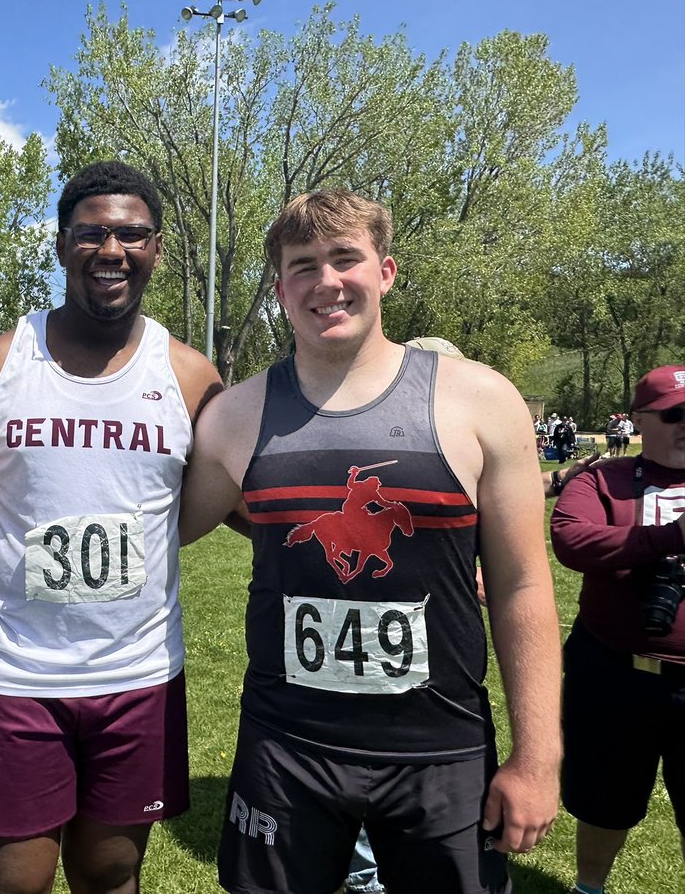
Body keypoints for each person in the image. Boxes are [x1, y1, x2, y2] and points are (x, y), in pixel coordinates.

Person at [180, 189, 561, 893]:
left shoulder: (481, 400)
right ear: (279, 289)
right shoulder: (235, 417)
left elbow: (522, 586)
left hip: (440, 748)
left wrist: (538, 757)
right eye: (303, 266)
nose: (326, 282)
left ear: (385, 271)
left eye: (345, 258)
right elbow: (160, 522)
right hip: (286, 747)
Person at [0, 160, 222, 894]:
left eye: (132, 234)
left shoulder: (188, 375)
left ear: (156, 248)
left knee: (112, 874)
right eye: (91, 234)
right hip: (11, 676)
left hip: (140, 676)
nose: (112, 250)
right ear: (60, 246)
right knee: (10, 883)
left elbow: (257, 503)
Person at [550, 364, 685, 894]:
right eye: (675, 414)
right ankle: (589, 888)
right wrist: (669, 538)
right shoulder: (602, 478)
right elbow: (571, 540)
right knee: (605, 799)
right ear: (637, 421)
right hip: (612, 672)